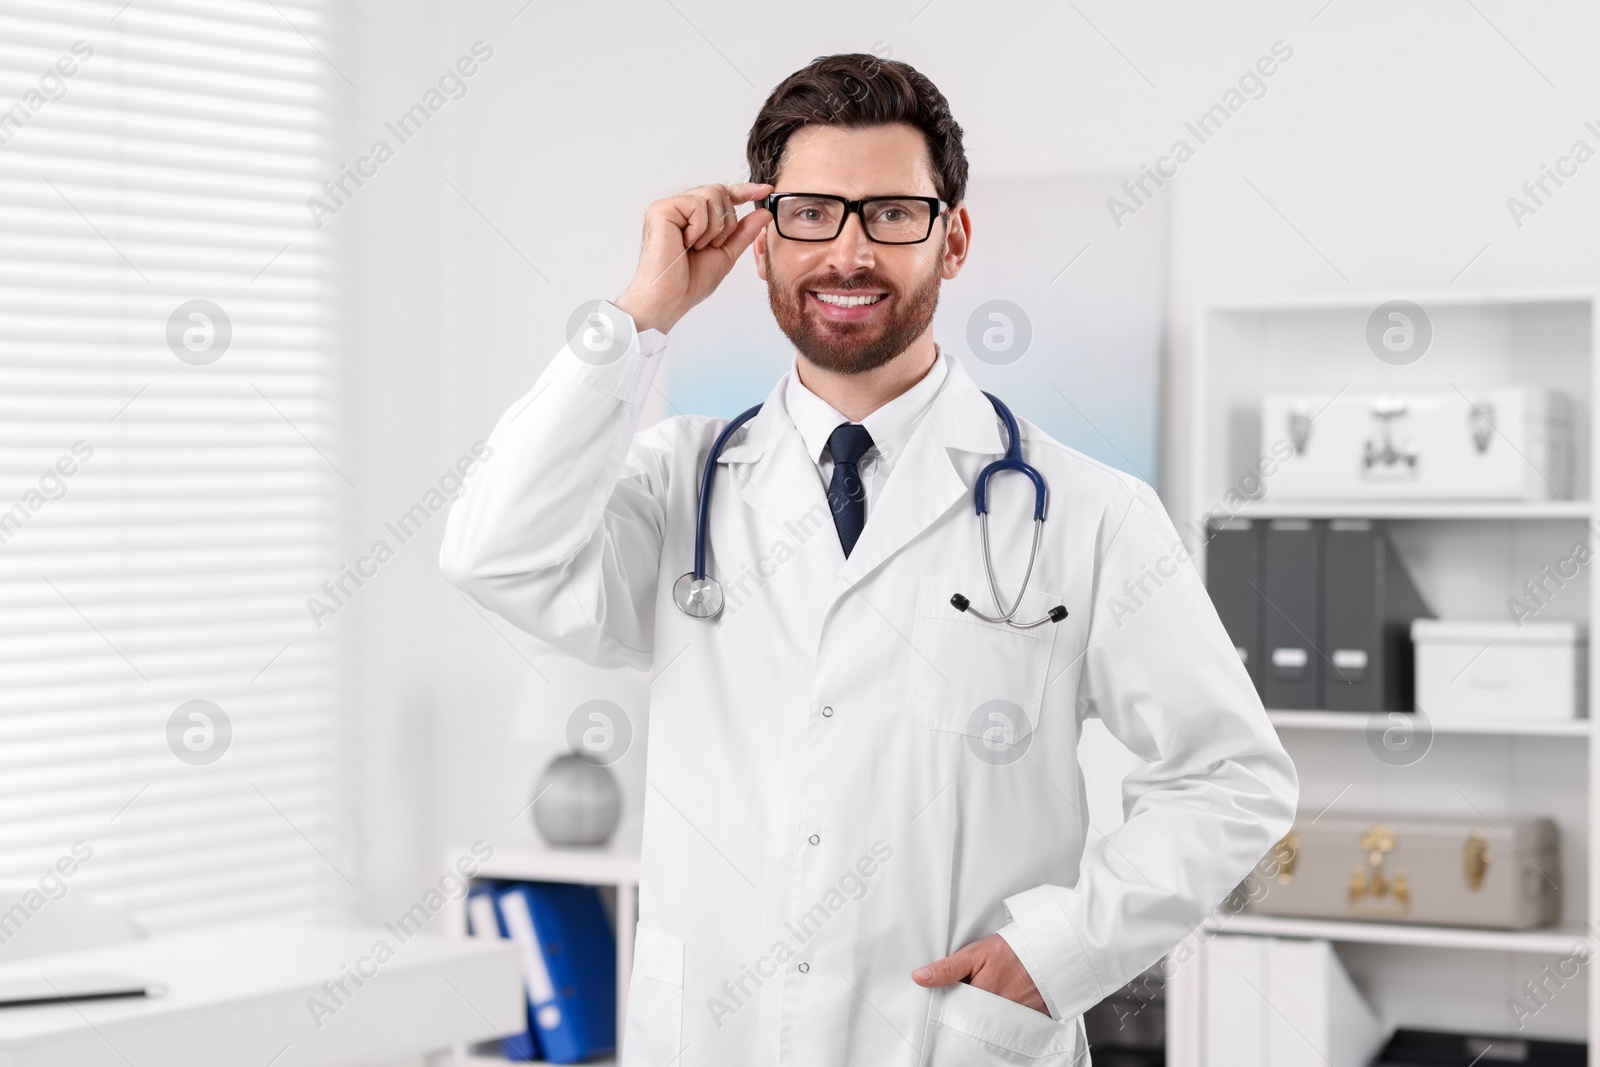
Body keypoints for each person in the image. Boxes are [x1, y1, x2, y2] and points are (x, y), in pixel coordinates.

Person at [441, 52, 1297, 1067]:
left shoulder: (1091, 513)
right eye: (809, 213)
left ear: (954, 236)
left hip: (953, 1039)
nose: (848, 252)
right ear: (759, 242)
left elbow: (1229, 777)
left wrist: (1059, 949)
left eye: (890, 213)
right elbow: (495, 551)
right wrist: (639, 313)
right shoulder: (679, 485)